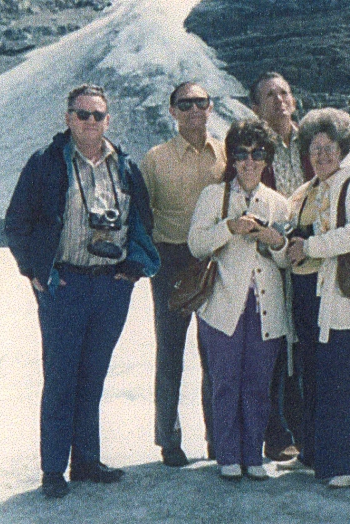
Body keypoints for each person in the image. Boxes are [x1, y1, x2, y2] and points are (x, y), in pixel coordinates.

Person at [5, 84, 160, 499]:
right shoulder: (47, 164)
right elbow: (16, 222)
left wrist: (133, 268)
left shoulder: (124, 166)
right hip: (65, 284)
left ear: (108, 120)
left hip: (111, 286)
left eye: (98, 115)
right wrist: (33, 270)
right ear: (68, 118)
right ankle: (54, 469)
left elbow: (144, 220)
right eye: (82, 114)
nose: (90, 122)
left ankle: (86, 461)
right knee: (60, 378)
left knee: (93, 375)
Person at [188, 119, 291, 480]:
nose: (249, 161)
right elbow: (196, 244)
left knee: (258, 383)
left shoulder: (278, 204)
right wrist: (229, 228)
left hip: (265, 306)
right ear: (231, 158)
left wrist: (273, 240)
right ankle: (228, 455)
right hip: (221, 305)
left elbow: (284, 260)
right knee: (225, 382)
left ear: (267, 159)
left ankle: (254, 455)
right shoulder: (213, 197)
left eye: (258, 154)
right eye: (242, 154)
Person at [285, 108, 350, 488]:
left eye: (329, 147)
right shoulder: (304, 192)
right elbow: (292, 240)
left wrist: (314, 246)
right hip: (307, 294)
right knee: (313, 373)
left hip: (336, 294)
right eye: (315, 148)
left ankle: (343, 463)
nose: (322, 155)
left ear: (342, 149)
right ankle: (314, 452)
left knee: (338, 375)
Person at [140, 82, 226, 467]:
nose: (194, 109)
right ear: (172, 111)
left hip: (215, 258)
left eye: (201, 102)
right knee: (171, 352)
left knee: (216, 353)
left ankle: (218, 438)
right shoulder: (155, 159)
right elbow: (142, 215)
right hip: (171, 259)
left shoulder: (226, 153)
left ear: (211, 108)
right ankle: (168, 439)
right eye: (185, 104)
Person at [250, 71, 313, 462]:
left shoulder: (312, 141)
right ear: (256, 106)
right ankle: (276, 431)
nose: (279, 100)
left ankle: (305, 427)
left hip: (310, 252)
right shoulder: (252, 146)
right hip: (269, 255)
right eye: (269, 95)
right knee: (273, 343)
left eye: (285, 92)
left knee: (304, 341)